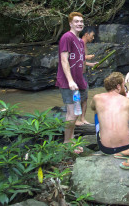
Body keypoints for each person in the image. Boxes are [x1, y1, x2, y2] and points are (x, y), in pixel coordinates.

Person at [55, 12, 88, 153]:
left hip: (78, 82)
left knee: (76, 112)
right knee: (72, 114)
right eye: (76, 21)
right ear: (70, 23)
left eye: (81, 21)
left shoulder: (80, 41)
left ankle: (72, 138)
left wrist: (81, 81)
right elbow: (64, 60)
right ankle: (67, 142)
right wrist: (70, 81)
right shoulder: (66, 37)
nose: (79, 23)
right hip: (68, 83)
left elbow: (80, 62)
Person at [91, 72, 129, 154]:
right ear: (118, 86)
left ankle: (106, 134)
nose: (124, 87)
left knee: (96, 112)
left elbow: (92, 107)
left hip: (105, 148)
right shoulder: (128, 102)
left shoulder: (97, 98)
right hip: (127, 146)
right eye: (124, 85)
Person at [76, 27, 98, 126]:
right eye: (92, 35)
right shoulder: (79, 43)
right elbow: (75, 57)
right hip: (77, 74)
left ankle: (83, 118)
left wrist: (90, 64)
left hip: (83, 74)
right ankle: (75, 119)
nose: (93, 38)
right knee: (77, 97)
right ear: (86, 34)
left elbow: (82, 61)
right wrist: (86, 57)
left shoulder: (84, 44)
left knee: (85, 97)